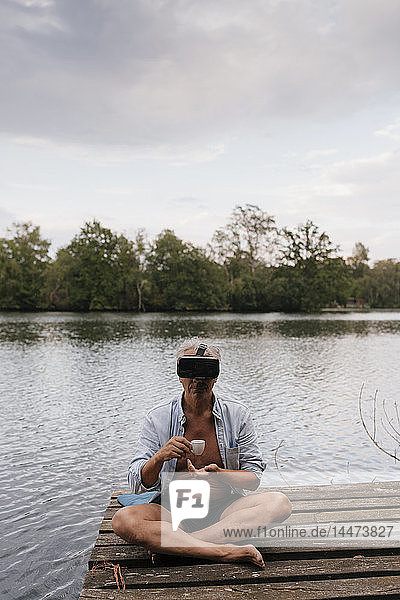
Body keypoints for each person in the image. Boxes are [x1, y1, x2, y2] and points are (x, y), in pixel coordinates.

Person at [112, 339, 291, 568]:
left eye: (206, 370)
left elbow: (253, 478)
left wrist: (220, 475)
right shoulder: (157, 418)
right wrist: (159, 457)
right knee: (123, 521)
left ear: (216, 375)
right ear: (179, 375)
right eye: (189, 370)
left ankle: (180, 547)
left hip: (224, 511)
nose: (198, 379)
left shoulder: (237, 415)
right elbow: (138, 483)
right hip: (170, 512)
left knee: (280, 503)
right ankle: (221, 550)